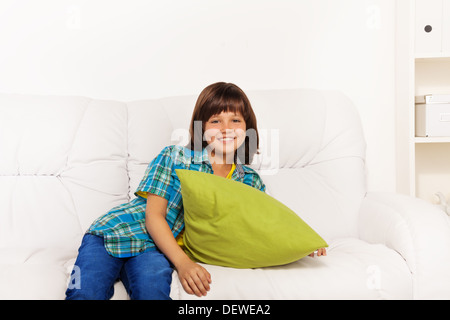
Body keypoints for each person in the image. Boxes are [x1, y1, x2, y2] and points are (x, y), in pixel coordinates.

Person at [65, 82, 268, 300]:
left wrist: (301, 247)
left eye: (235, 120)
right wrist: (183, 263)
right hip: (113, 232)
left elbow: (261, 229)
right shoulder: (175, 156)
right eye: (215, 120)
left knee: (152, 293)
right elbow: (154, 217)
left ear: (247, 128)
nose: (226, 128)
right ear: (201, 127)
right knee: (84, 293)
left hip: (155, 249)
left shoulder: (249, 182)